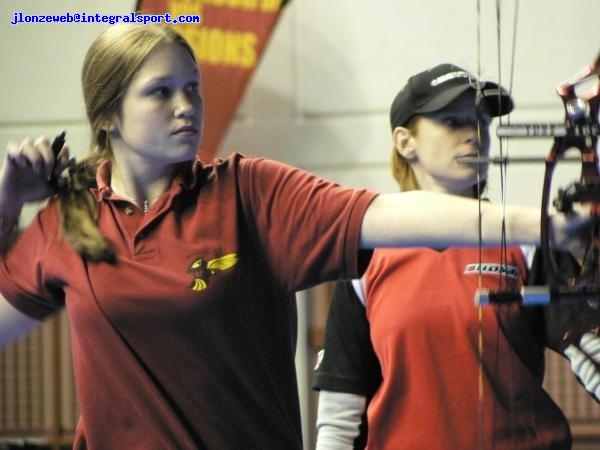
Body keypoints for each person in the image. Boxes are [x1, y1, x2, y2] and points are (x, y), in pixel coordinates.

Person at [0, 26, 588, 449]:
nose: (187, 107)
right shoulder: (64, 221)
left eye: (194, 87)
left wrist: (545, 224)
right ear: (107, 116)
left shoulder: (248, 192)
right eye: (160, 92)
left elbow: (390, 214)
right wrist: (6, 205)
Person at [312, 64, 600, 450]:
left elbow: (585, 347)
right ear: (404, 142)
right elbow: (339, 414)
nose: (474, 134)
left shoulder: (525, 241)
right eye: (452, 121)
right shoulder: (365, 258)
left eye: (481, 121)